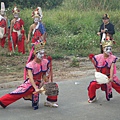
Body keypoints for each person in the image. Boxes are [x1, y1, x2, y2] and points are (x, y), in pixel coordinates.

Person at [0, 41, 58, 109]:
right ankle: (1, 101)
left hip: (40, 83)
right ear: (35, 53)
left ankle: (50, 101)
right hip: (30, 84)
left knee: (54, 86)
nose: (42, 55)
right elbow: (31, 78)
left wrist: (44, 82)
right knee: (17, 93)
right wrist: (36, 88)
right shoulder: (30, 65)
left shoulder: (45, 62)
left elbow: (44, 75)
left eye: (43, 53)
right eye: (40, 53)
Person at [87, 39, 120, 103]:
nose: (109, 51)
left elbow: (112, 68)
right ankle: (92, 97)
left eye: (110, 49)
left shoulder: (112, 58)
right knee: (92, 85)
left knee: (118, 85)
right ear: (103, 49)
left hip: (109, 77)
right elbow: (95, 64)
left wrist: (110, 78)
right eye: (107, 49)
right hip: (101, 77)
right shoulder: (98, 57)